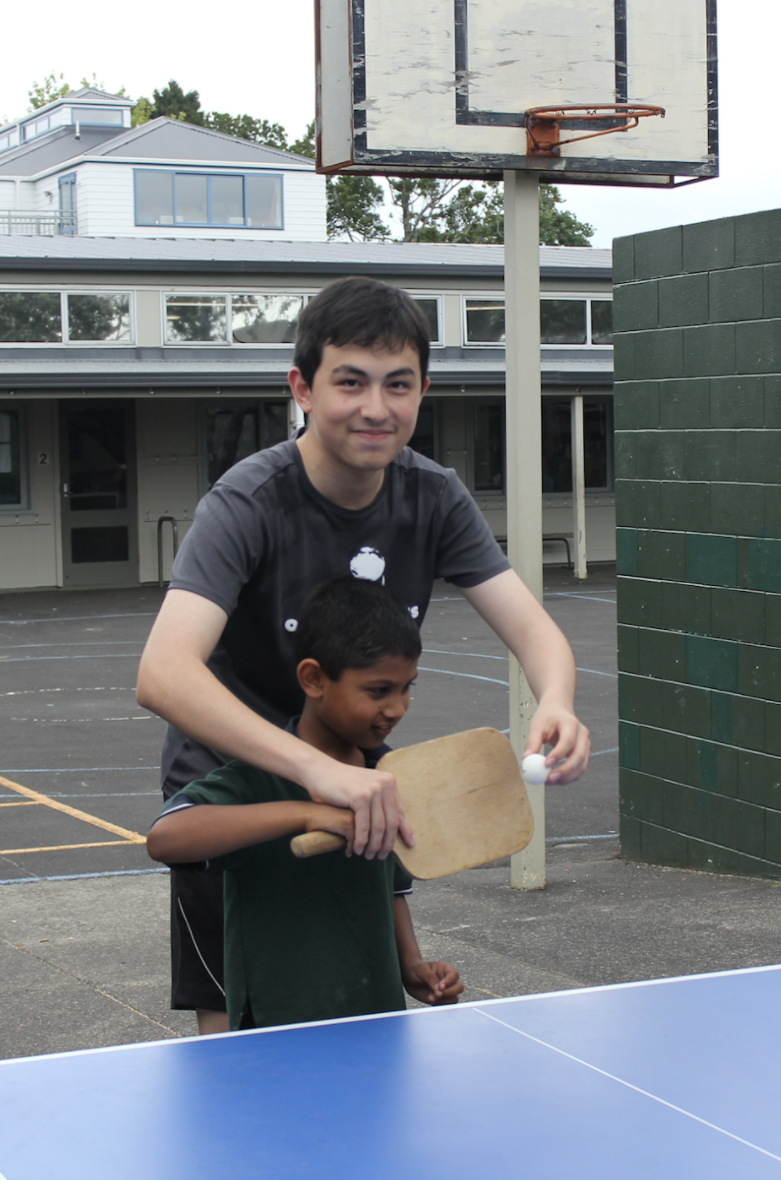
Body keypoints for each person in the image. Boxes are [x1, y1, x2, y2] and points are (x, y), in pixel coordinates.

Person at [136, 275, 589, 1034]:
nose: (376, 407)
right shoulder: (248, 502)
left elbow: (534, 630)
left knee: (356, 1003)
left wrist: (557, 700)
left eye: (398, 385)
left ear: (422, 392)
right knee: (236, 1045)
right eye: (350, 381)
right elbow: (163, 672)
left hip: (355, 795)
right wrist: (315, 772)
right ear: (302, 387)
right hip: (235, 799)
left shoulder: (433, 497)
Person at [146, 577, 464, 1031]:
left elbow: (389, 887)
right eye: (378, 691)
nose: (397, 708)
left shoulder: (386, 777)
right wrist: (308, 814)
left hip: (377, 1026)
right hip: (276, 1034)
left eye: (406, 688)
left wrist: (411, 965)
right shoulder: (257, 780)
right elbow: (166, 839)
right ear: (314, 679)